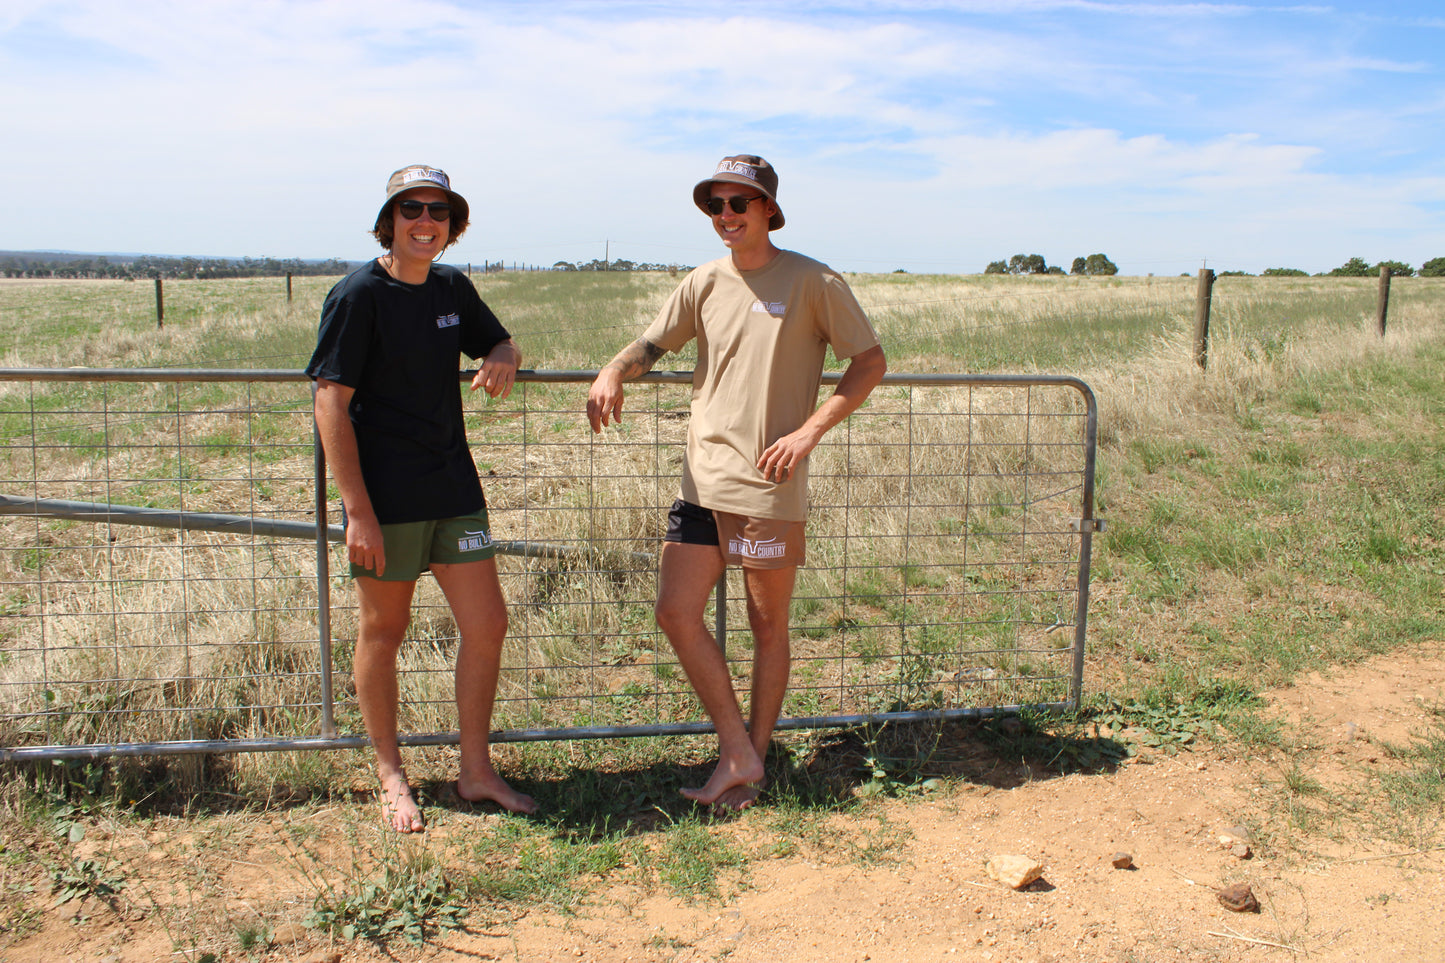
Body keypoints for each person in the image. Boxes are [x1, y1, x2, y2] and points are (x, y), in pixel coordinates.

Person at [587, 154, 888, 811]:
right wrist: (613, 369)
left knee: (765, 625)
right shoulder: (702, 282)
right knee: (674, 610)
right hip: (702, 479)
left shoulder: (813, 280)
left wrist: (810, 431)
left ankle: (747, 766)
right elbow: (651, 345)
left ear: (767, 210)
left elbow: (868, 360)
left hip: (766, 485)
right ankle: (739, 749)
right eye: (714, 205)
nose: (725, 216)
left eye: (737, 204)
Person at [307, 164, 535, 832]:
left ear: (451, 225)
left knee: (487, 623)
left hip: (452, 488)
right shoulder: (357, 294)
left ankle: (475, 769)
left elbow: (496, 336)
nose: (424, 222)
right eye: (411, 209)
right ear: (390, 219)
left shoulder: (450, 287)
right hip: (386, 500)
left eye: (437, 211)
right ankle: (389, 772)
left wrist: (503, 352)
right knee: (384, 630)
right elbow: (330, 401)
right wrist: (357, 510)